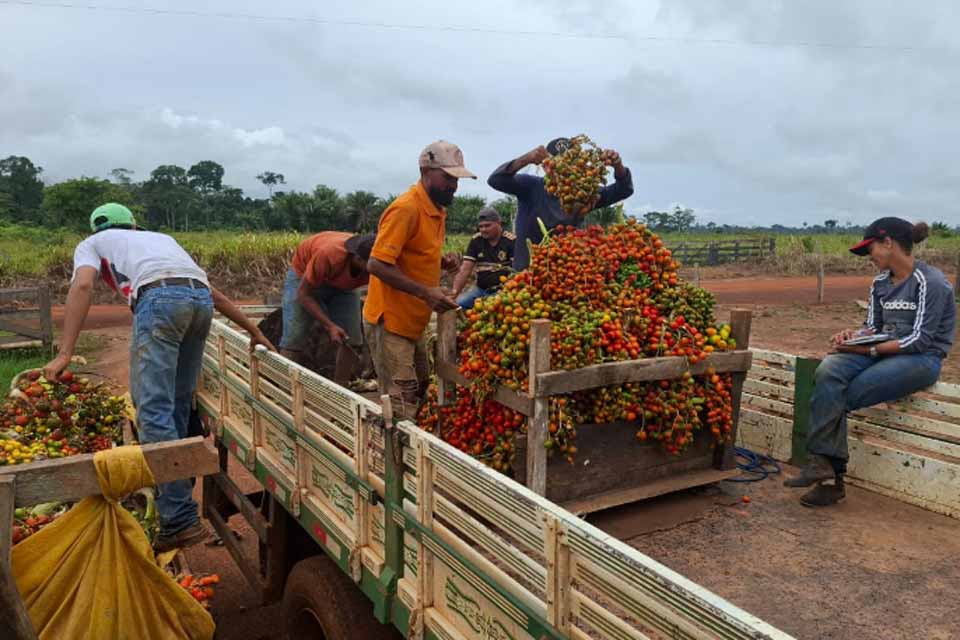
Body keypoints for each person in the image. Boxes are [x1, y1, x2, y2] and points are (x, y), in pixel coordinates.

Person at [42, 203, 275, 552]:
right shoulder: (160, 239)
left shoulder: (93, 243)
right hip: (199, 305)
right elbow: (210, 292)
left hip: (161, 301)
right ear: (134, 224)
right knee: (178, 405)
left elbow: (83, 287)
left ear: (96, 229)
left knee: (153, 408)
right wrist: (252, 329)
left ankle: (179, 518)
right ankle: (180, 499)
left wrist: (64, 353)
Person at [783, 218, 955, 507]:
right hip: (882, 349)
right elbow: (873, 326)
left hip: (921, 360)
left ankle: (829, 477)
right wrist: (853, 336)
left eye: (871, 249)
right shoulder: (880, 283)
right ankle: (823, 468)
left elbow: (920, 340)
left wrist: (870, 352)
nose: (869, 258)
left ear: (888, 243)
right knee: (829, 369)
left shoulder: (931, 282)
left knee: (842, 393)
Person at [363, 140, 473, 418]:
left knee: (422, 387)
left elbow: (410, 254)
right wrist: (426, 292)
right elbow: (376, 263)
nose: (454, 186)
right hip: (391, 321)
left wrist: (440, 262)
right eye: (447, 178)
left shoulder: (436, 209)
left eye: (456, 179)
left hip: (413, 321)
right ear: (426, 172)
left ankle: (410, 455)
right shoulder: (406, 209)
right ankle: (392, 459)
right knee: (401, 399)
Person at [488, 137, 634, 270]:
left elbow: (624, 190)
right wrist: (526, 159)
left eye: (570, 165)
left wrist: (618, 166)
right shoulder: (530, 187)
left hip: (566, 275)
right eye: (559, 165)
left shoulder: (584, 195)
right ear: (546, 167)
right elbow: (496, 180)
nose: (565, 171)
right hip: (528, 274)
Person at [280, 231, 376, 384]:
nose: (378, 267)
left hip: (344, 286)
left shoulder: (379, 265)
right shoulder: (329, 255)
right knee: (294, 337)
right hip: (304, 276)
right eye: (374, 264)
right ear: (358, 259)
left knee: (352, 338)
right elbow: (304, 295)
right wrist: (329, 325)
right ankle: (285, 390)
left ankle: (341, 390)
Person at [451, 207, 516, 309]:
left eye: (487, 226)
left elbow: (517, 273)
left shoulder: (511, 241)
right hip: (480, 290)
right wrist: (454, 294)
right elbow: (465, 269)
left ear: (498, 223)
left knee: (488, 310)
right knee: (458, 304)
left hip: (502, 292)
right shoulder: (476, 240)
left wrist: (506, 293)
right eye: (481, 226)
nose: (483, 230)